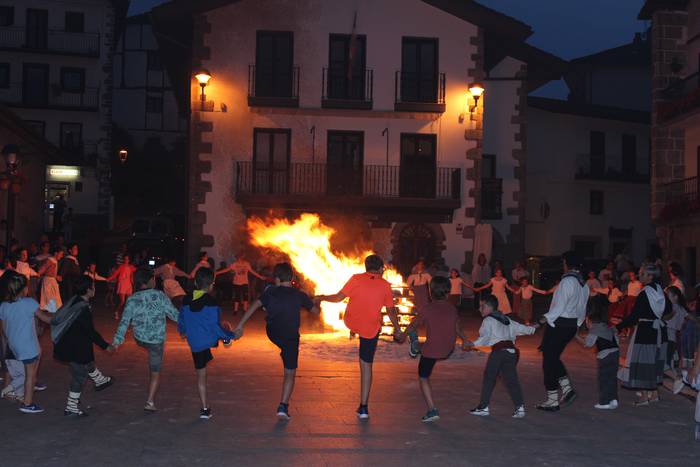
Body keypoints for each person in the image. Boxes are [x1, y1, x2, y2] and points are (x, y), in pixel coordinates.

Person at [315, 254, 402, 419]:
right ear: (380, 268)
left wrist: (322, 297)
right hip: (371, 328)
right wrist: (397, 329)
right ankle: (363, 407)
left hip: (353, 321)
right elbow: (391, 310)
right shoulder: (385, 285)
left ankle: (353, 330)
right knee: (366, 365)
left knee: (362, 346)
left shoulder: (355, 279)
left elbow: (338, 297)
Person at [234, 262, 319, 420]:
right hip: (290, 336)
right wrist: (315, 301)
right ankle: (283, 406)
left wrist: (240, 325)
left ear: (277, 278)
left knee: (282, 338)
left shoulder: (270, 291)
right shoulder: (299, 294)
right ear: (292, 277)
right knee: (290, 372)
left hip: (272, 331)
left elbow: (254, 305)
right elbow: (315, 311)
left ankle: (283, 348)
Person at [398, 276, 468, 422]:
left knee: (423, 377)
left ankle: (432, 409)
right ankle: (417, 346)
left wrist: (403, 334)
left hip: (431, 350)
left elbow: (414, 324)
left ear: (430, 293)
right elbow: (458, 327)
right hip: (448, 348)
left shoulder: (427, 309)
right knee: (429, 343)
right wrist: (466, 340)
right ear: (448, 293)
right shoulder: (452, 308)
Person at [112, 268, 179, 412]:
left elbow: (124, 321)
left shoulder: (132, 298)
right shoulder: (160, 296)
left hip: (140, 338)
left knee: (148, 346)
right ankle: (150, 402)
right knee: (155, 371)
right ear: (149, 280)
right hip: (156, 340)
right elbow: (174, 315)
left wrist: (117, 340)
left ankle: (150, 400)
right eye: (153, 278)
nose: (155, 281)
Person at [51, 275, 114, 417]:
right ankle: (71, 407)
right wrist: (105, 346)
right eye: (92, 286)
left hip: (69, 344)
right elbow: (90, 332)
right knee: (79, 376)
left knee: (87, 362)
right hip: (74, 347)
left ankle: (99, 380)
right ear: (88, 290)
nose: (94, 289)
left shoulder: (74, 300)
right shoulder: (82, 308)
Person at [465, 294, 537, 418]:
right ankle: (520, 409)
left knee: (489, 379)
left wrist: (472, 344)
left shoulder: (488, 320)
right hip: (512, 353)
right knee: (511, 380)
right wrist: (539, 323)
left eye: (481, 306)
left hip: (499, 353)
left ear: (488, 307)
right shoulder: (507, 319)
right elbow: (527, 329)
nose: (479, 309)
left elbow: (485, 338)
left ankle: (483, 408)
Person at [177, 267, 235, 420]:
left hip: (194, 342)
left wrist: (182, 331)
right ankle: (226, 339)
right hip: (209, 338)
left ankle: (204, 409)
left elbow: (181, 319)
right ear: (211, 285)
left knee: (200, 374)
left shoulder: (186, 300)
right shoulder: (212, 302)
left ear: (195, 282)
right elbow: (215, 326)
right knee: (225, 326)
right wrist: (231, 335)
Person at [537, 251, 589, 412]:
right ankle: (566, 390)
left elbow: (559, 305)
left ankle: (553, 400)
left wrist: (544, 318)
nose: (563, 265)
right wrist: (577, 325)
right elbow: (582, 308)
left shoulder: (567, 281)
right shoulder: (583, 283)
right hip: (570, 324)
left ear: (567, 263)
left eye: (563, 262)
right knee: (552, 357)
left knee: (548, 362)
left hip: (559, 324)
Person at [616, 263, 671, 406]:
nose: (639, 275)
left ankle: (644, 397)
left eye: (642, 273)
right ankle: (654, 394)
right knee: (653, 362)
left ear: (650, 276)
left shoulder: (644, 293)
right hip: (659, 330)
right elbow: (669, 309)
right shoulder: (661, 291)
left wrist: (618, 326)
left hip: (646, 331)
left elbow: (634, 316)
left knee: (643, 363)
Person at [0, 271, 53, 413]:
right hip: (28, 347)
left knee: (24, 373)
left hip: (15, 346)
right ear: (24, 289)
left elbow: (4, 329)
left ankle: (13, 390)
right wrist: (57, 313)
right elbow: (47, 319)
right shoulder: (30, 303)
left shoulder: (4, 306)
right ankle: (27, 403)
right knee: (30, 376)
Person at [575, 305, 619, 410]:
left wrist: (576, 336)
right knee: (612, 378)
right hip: (615, 353)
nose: (587, 324)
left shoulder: (595, 330)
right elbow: (616, 339)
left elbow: (588, 343)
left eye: (587, 322)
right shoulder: (607, 327)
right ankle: (614, 400)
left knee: (604, 379)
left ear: (591, 322)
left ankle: (604, 402)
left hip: (605, 356)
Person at [405, 260, 432, 357]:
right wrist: (412, 289)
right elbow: (408, 284)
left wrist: (429, 292)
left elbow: (431, 283)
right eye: (418, 265)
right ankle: (418, 322)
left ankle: (423, 321)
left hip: (423, 291)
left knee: (424, 306)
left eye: (421, 265)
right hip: (417, 291)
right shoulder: (413, 275)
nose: (419, 266)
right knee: (418, 307)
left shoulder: (426, 275)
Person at [665, 286, 688, 390]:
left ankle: (678, 379)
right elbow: (689, 317)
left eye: (667, 295)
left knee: (663, 362)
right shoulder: (681, 307)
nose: (665, 297)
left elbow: (667, 318)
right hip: (673, 337)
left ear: (675, 297)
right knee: (668, 361)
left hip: (668, 336)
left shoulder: (672, 306)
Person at [107, 253, 137, 321]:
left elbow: (136, 271)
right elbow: (115, 274)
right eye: (125, 259)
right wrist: (109, 279)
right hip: (122, 284)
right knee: (122, 301)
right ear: (124, 260)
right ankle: (116, 312)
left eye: (127, 259)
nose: (126, 260)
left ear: (129, 260)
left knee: (129, 301)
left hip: (129, 285)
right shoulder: (121, 266)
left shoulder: (131, 266)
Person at [38, 247, 64, 312]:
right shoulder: (49, 260)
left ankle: (53, 312)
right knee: (49, 298)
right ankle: (49, 313)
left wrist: (56, 277)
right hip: (48, 282)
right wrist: (38, 273)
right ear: (56, 253)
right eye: (60, 254)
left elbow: (53, 273)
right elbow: (42, 269)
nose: (61, 256)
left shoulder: (55, 261)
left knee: (55, 299)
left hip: (52, 281)